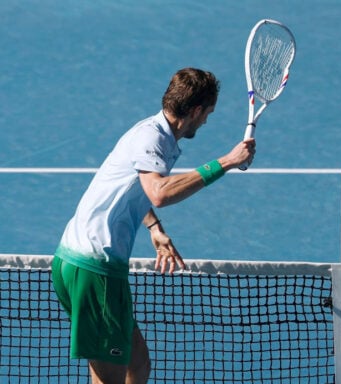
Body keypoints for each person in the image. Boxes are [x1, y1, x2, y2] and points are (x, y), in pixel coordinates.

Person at [51, 67, 256, 383]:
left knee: (139, 365)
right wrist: (226, 162)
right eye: (208, 114)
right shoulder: (151, 138)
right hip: (94, 267)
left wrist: (154, 228)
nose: (206, 122)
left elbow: (134, 187)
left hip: (87, 262)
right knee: (109, 378)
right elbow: (158, 193)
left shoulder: (157, 134)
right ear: (196, 110)